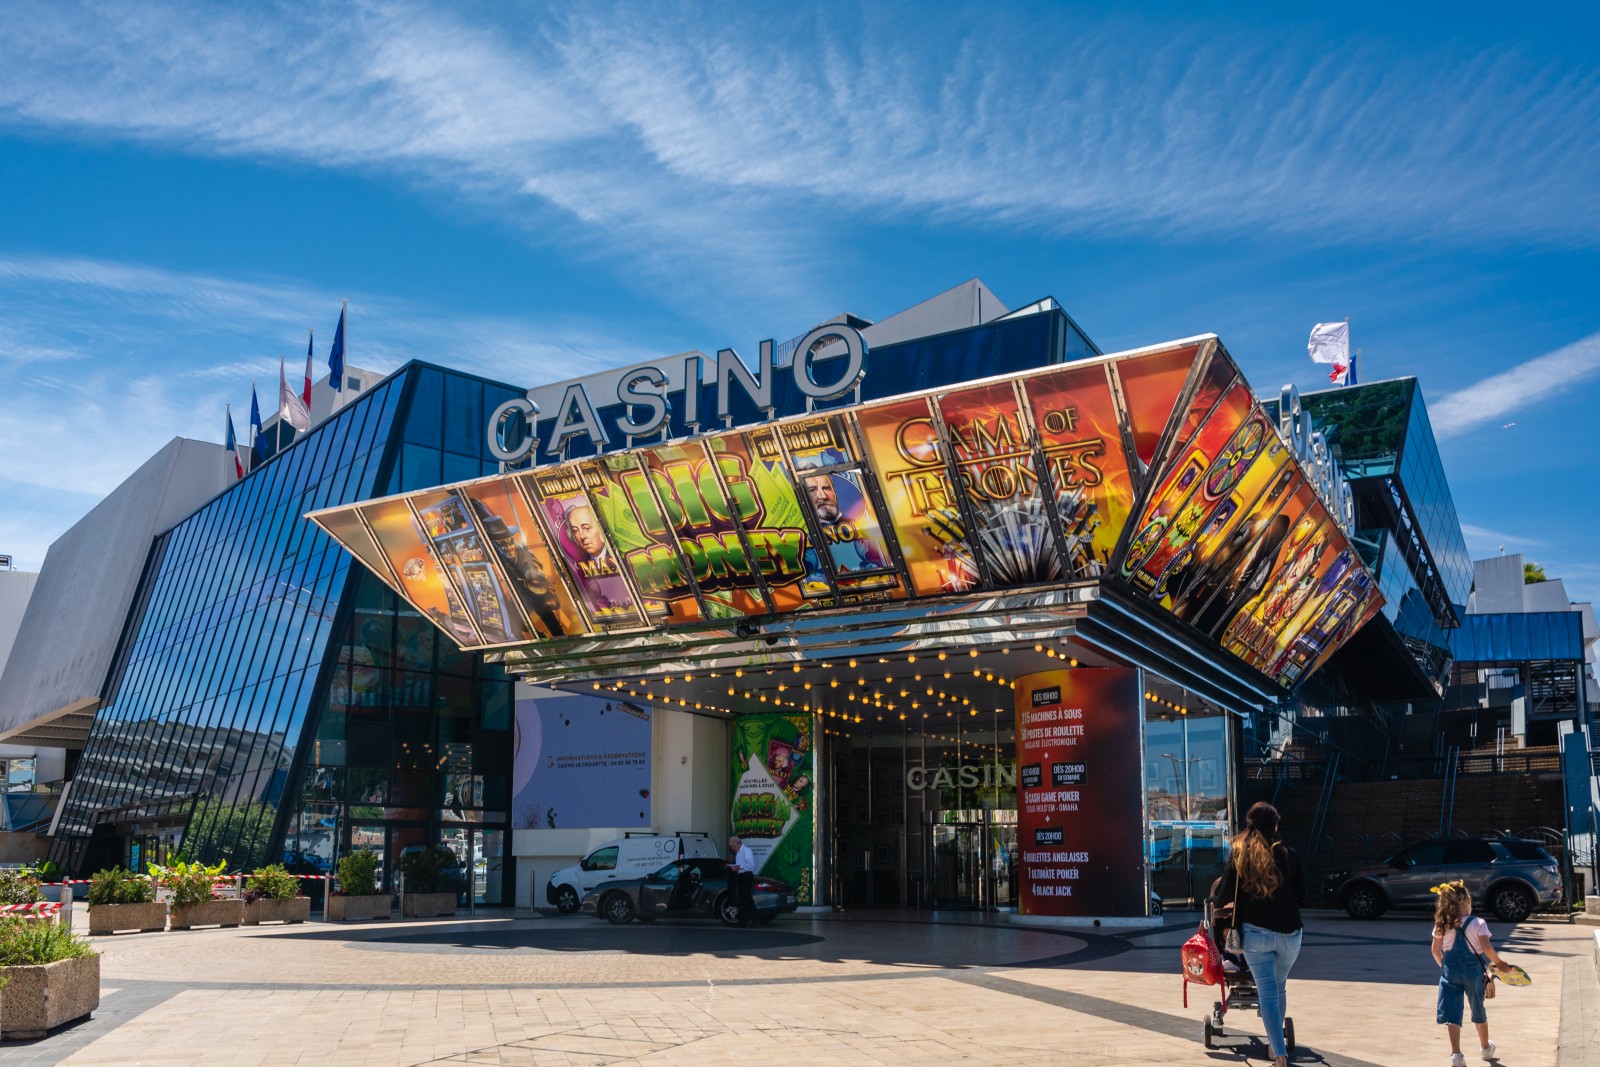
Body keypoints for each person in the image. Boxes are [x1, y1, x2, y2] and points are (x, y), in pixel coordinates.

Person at [1215, 802, 1304, 1067]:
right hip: (1290, 935)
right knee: (1279, 987)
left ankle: (1279, 1054)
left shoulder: (1239, 853)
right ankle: (1274, 1047)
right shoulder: (1291, 854)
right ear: (1276, 825)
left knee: (1267, 991)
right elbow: (1303, 894)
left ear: (1249, 824)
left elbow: (1223, 896)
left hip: (1256, 936)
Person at [1431, 880, 1512, 1065]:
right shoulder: (1479, 923)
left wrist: (1445, 967)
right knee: (1478, 1007)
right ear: (1468, 899)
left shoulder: (1442, 924)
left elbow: (1435, 951)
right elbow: (1486, 947)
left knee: (1452, 1013)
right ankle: (1485, 1049)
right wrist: (1499, 963)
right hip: (1473, 973)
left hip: (1449, 972)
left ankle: (1456, 1055)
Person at [727, 834, 757, 926]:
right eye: (731, 847)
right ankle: (744, 919)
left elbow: (750, 864)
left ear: (737, 843)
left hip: (747, 876)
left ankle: (753, 918)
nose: (732, 848)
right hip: (741, 876)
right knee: (742, 898)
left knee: (746, 897)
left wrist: (738, 867)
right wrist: (732, 866)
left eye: (733, 846)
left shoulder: (746, 850)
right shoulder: (738, 852)